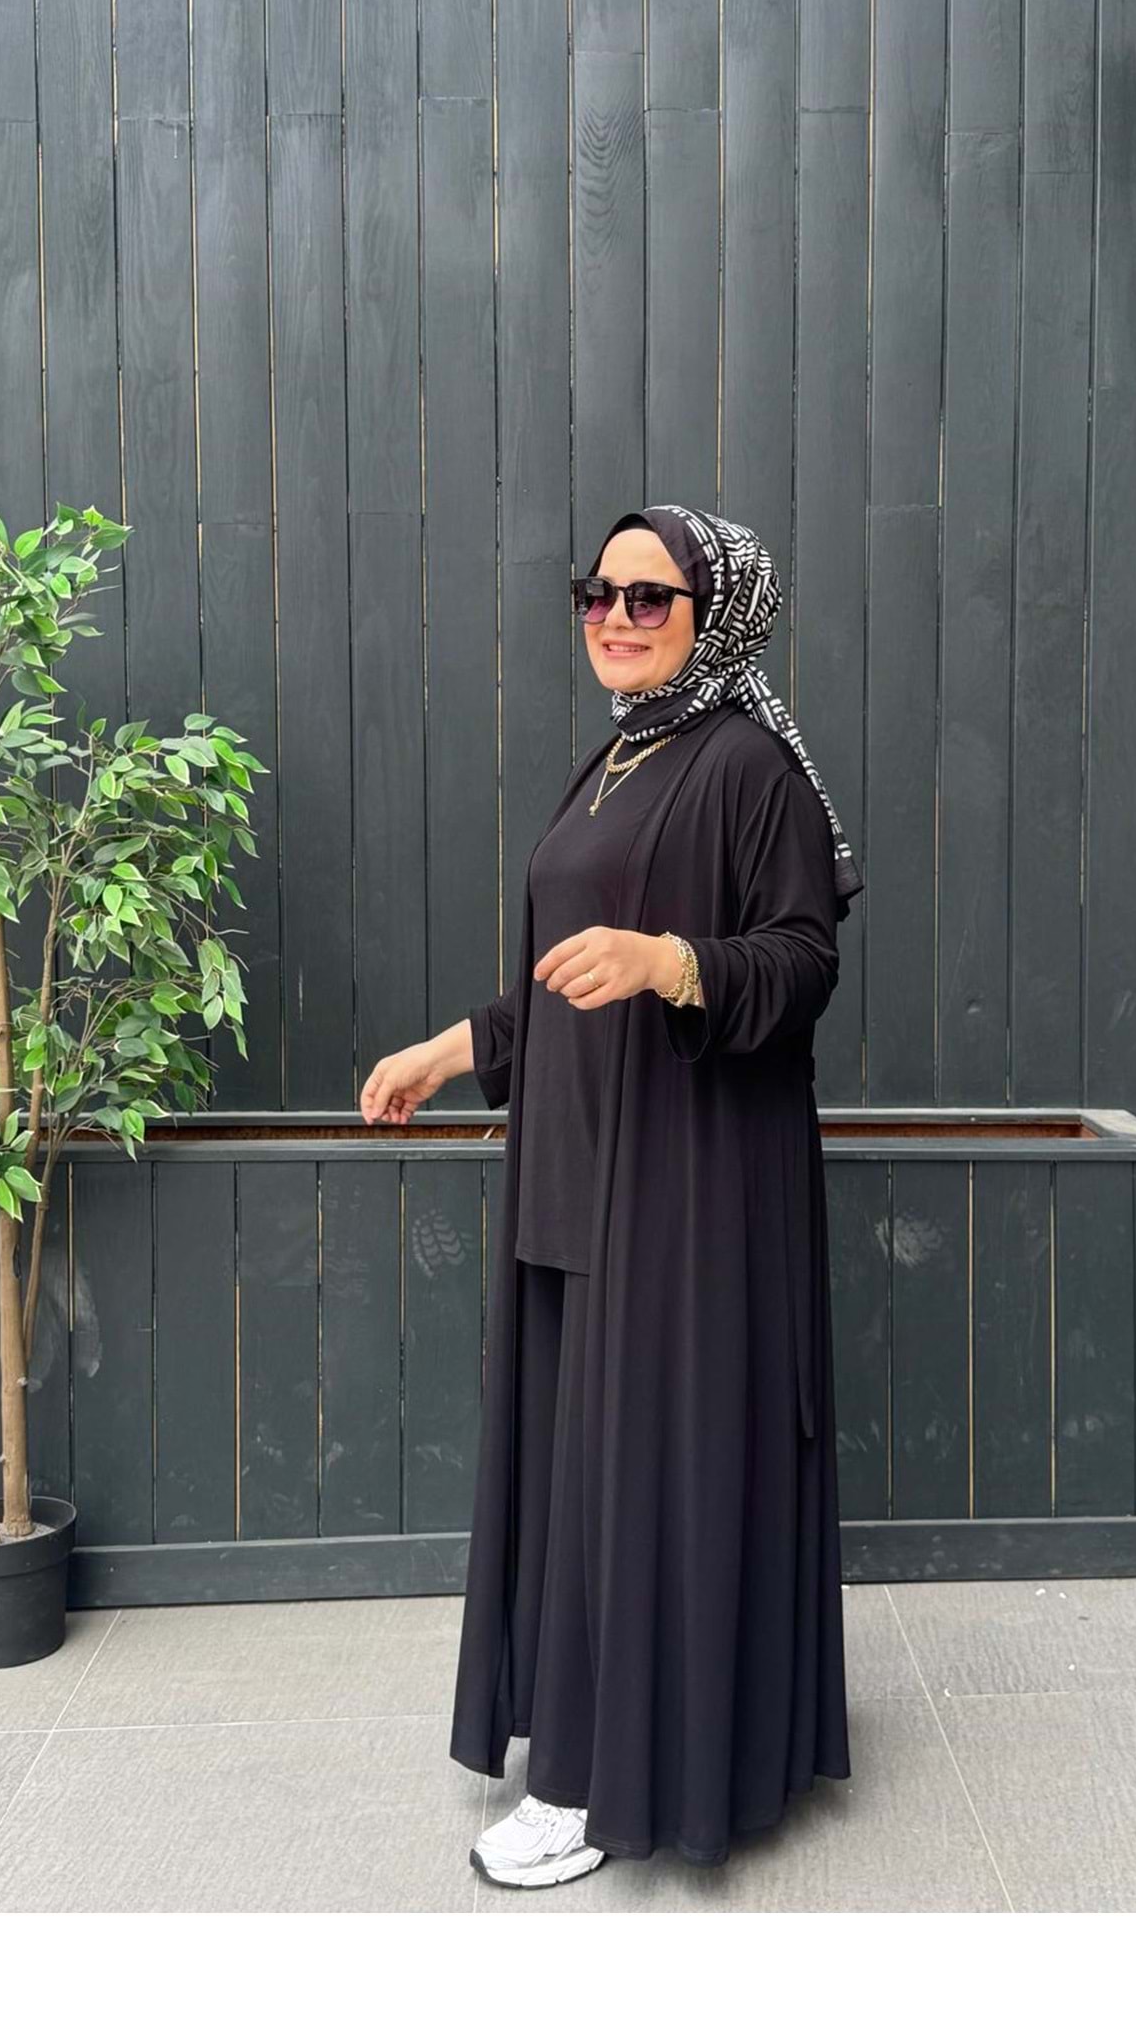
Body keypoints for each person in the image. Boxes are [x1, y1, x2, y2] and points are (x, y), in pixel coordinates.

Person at [360, 503, 863, 1883]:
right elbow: (561, 986)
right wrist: (447, 1051)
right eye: (597, 592)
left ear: (719, 614)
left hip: (689, 1192)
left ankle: (605, 1781)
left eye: (652, 596)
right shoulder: (619, 757)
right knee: (580, 1470)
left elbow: (803, 962)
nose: (616, 617)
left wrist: (673, 963)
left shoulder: (749, 764)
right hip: (578, 1177)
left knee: (643, 1475)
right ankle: (594, 1738)